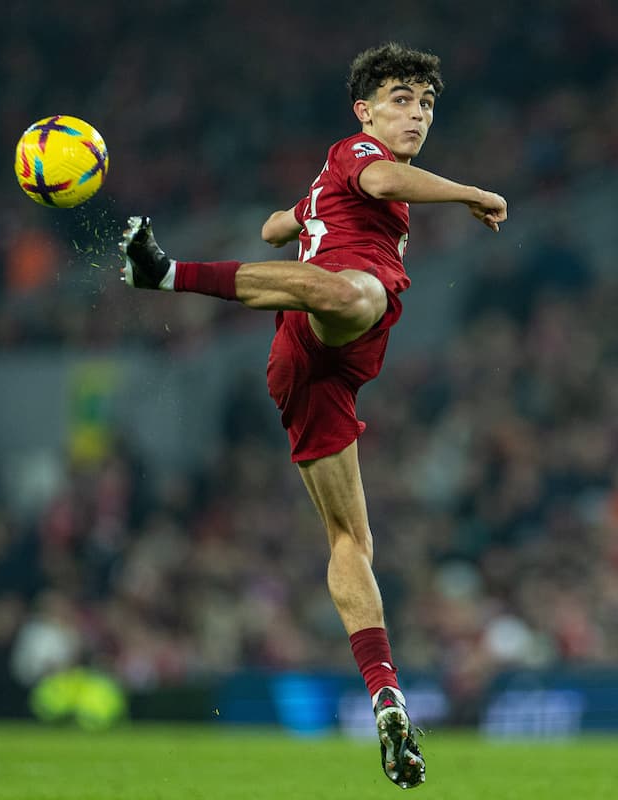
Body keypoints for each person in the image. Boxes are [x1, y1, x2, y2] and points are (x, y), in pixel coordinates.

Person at [118, 42, 506, 789]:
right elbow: (384, 175)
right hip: (336, 317)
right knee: (355, 294)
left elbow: (274, 225)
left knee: (350, 539)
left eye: (425, 104)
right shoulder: (361, 156)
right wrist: (469, 192)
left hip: (318, 379)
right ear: (364, 110)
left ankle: (385, 694)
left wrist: (298, 214)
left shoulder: (343, 181)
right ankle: (162, 274)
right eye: (401, 98)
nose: (416, 114)